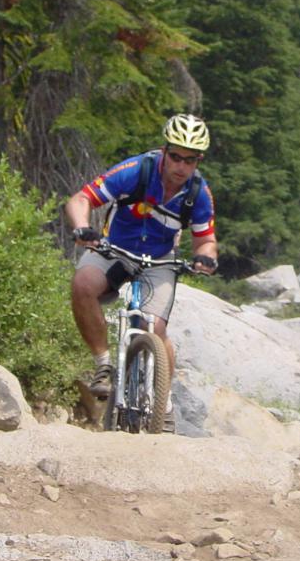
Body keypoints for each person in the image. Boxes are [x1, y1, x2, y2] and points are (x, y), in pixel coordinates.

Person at [65, 114, 218, 413]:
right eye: (175, 156)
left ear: (198, 161)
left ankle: (163, 401)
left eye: (190, 160)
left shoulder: (199, 194)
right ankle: (103, 364)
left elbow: (206, 240)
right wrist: (83, 227)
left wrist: (206, 258)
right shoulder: (135, 171)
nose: (181, 166)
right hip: (115, 249)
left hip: (160, 260)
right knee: (83, 284)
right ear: (164, 150)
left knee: (157, 330)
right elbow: (81, 199)